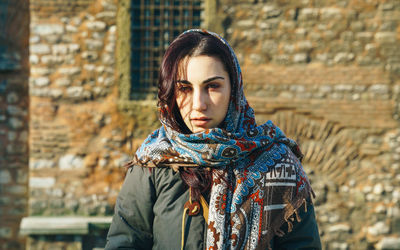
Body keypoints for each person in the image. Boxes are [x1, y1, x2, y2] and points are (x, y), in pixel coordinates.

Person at [105, 29, 321, 250]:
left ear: (233, 88)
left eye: (212, 86)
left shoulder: (278, 165)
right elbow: (124, 243)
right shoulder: (153, 164)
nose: (199, 104)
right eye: (184, 89)